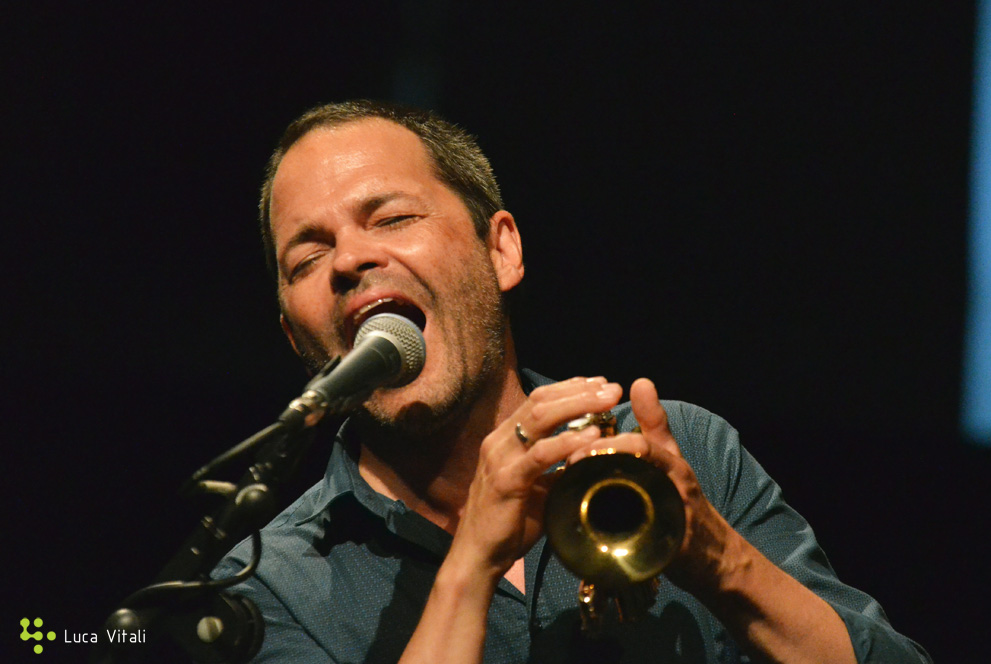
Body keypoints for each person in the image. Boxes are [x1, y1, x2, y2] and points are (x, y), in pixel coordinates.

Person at [214, 99, 931, 663]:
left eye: (393, 217)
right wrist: (471, 564)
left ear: (501, 250)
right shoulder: (269, 583)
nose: (348, 262)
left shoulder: (689, 452)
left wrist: (716, 556)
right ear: (295, 337)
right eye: (307, 259)